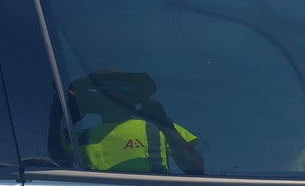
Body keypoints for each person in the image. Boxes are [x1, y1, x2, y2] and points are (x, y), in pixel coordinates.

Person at [48, 70, 204, 174]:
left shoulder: (158, 128)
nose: (113, 95)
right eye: (104, 90)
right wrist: (71, 115)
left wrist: (163, 122)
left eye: (121, 89)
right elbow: (52, 161)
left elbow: (195, 168)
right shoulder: (78, 138)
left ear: (134, 96)